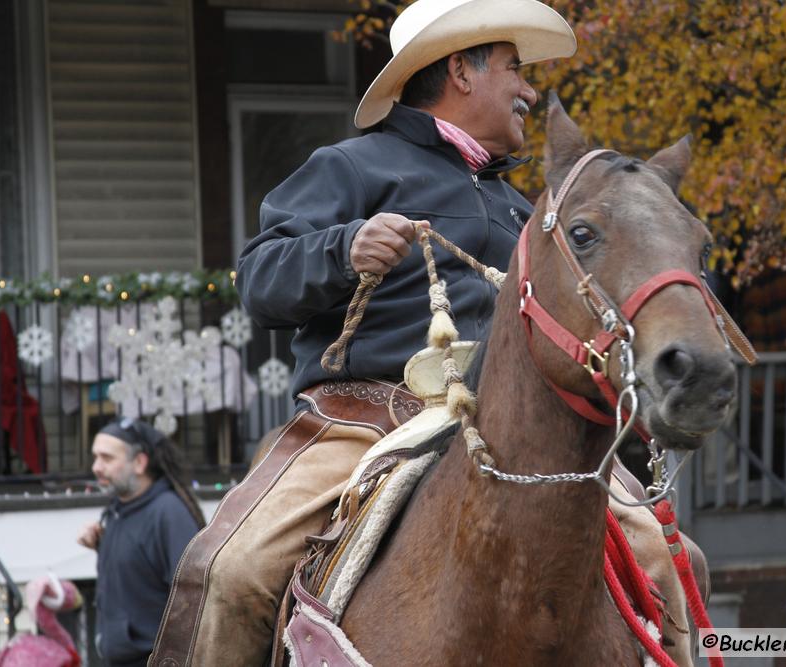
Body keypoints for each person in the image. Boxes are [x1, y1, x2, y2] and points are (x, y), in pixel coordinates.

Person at [149, 1, 581, 665]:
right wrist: (344, 247)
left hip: (506, 433)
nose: (529, 89)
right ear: (461, 70)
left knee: (669, 556)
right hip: (360, 422)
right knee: (230, 571)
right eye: (514, 68)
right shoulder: (352, 166)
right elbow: (258, 280)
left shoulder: (520, 207)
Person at [77, 417, 205, 667]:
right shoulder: (117, 511)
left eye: (107, 458)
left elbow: (192, 598)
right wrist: (102, 547)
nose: (96, 467)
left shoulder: (168, 513)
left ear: (139, 462)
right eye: (95, 457)